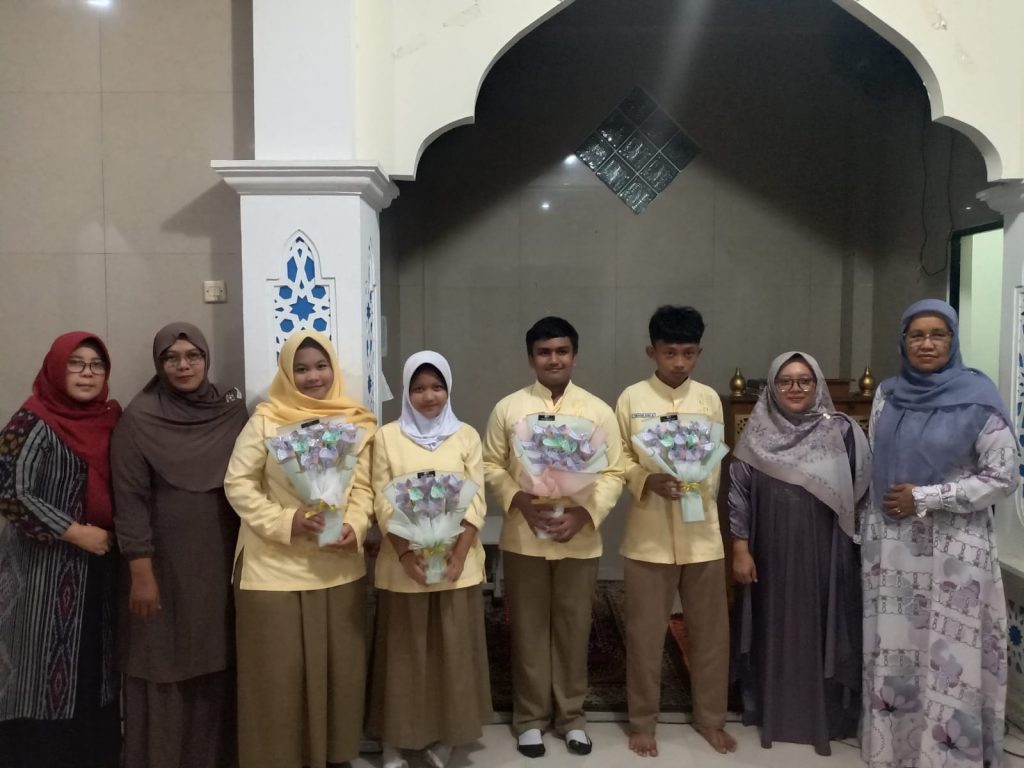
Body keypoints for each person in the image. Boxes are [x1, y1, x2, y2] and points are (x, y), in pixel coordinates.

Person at [862, 299, 1017, 768]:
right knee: (898, 646)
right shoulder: (888, 394)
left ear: (952, 340)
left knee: (951, 652)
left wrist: (928, 497)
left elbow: (1003, 478)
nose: (926, 344)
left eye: (938, 334)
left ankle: (949, 755)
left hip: (955, 549)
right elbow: (876, 460)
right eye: (917, 335)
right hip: (894, 545)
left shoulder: (978, 397)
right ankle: (897, 750)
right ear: (903, 341)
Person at [223, 330, 376, 768]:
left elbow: (363, 488)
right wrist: (287, 521)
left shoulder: (356, 421)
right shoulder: (266, 420)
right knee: (277, 677)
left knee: (339, 673)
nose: (313, 377)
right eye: (301, 369)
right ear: (287, 374)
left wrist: (354, 525)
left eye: (321, 366)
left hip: (337, 565)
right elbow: (237, 483)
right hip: (272, 569)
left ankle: (335, 756)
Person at [483, 316, 624, 758]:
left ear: (574, 356)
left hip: (578, 539)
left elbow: (615, 471)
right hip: (524, 536)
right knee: (527, 628)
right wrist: (518, 500)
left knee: (573, 628)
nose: (553, 359)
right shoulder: (509, 409)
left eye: (561, 351)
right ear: (531, 359)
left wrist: (586, 513)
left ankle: (572, 717)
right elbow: (490, 464)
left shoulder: (598, 411)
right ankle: (529, 718)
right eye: (544, 352)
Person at [111, 323, 248, 768]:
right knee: (164, 658)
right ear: (159, 364)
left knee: (217, 655)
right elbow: (129, 500)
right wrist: (141, 572)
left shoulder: (231, 409)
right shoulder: (140, 418)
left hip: (221, 556)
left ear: (206, 358)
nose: (183, 365)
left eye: (192, 356)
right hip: (163, 564)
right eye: (171, 358)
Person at [729, 351, 869, 754]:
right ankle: (774, 710)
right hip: (769, 549)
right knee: (774, 624)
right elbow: (738, 494)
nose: (795, 388)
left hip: (825, 549)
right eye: (785, 381)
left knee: (822, 622)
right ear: (772, 387)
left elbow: (862, 490)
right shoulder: (756, 433)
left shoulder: (841, 431)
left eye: (804, 380)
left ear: (817, 385)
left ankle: (824, 713)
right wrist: (741, 547)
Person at [614, 305, 734, 757]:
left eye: (688, 353)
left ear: (699, 352)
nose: (679, 362)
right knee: (645, 638)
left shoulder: (709, 400)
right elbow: (618, 459)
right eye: (670, 353)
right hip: (648, 537)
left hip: (703, 536)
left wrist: (692, 484)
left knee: (710, 636)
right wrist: (646, 480)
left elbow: (714, 463)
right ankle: (643, 723)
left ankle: (711, 719)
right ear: (652, 352)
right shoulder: (631, 399)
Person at [0, 332, 122, 768]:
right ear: (55, 368)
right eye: (75, 363)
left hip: (99, 570)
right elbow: (10, 491)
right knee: (41, 672)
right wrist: (72, 531)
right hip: (41, 575)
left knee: (91, 669)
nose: (87, 373)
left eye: (96, 365)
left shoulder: (110, 419)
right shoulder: (31, 421)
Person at [367, 351, 492, 768]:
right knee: (404, 656)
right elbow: (382, 501)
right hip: (404, 566)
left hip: (458, 564)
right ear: (406, 392)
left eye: (437, 386)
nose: (429, 396)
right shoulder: (387, 437)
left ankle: (448, 735)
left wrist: (458, 554)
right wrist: (406, 553)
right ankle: (396, 739)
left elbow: (476, 501)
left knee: (453, 654)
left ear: (448, 389)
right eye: (418, 388)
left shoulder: (466, 436)